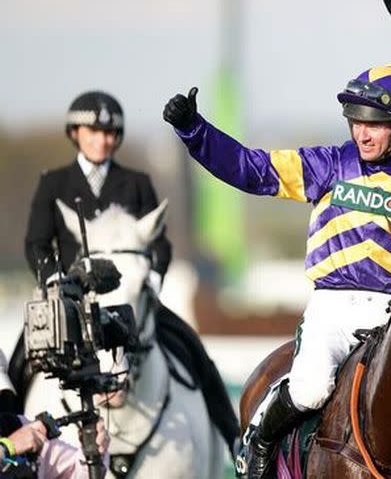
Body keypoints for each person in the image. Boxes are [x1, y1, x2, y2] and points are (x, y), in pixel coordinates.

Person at [162, 64, 391, 477]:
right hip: (334, 308)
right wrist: (194, 130)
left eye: (375, 125)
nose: (362, 134)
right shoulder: (326, 164)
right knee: (310, 389)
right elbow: (249, 168)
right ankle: (258, 442)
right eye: (357, 122)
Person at [15, 90, 239, 458]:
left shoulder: (136, 183)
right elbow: (37, 243)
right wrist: (55, 282)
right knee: (20, 356)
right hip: (71, 305)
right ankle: (11, 432)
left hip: (132, 301)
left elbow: (160, 246)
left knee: (192, 347)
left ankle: (232, 437)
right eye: (94, 132)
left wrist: (150, 280)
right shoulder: (54, 183)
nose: (102, 140)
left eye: (110, 134)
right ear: (76, 133)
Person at [1, 349, 111, 479]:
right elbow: (11, 445)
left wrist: (92, 452)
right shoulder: (17, 438)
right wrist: (7, 448)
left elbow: (75, 472)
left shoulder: (16, 426)